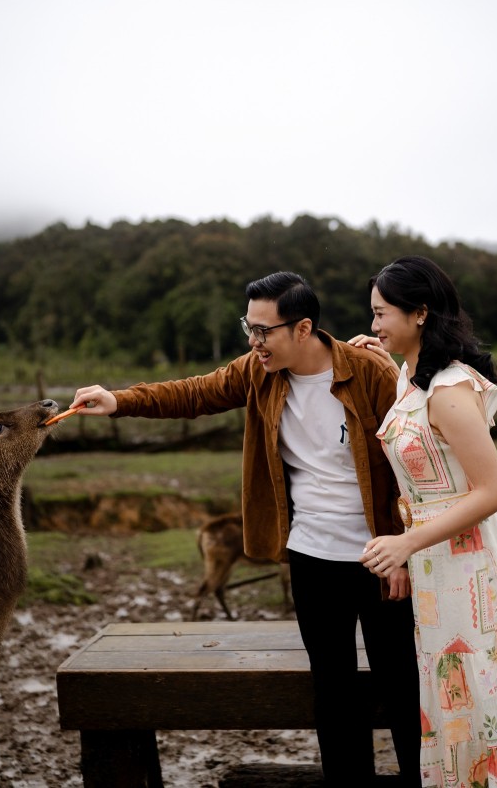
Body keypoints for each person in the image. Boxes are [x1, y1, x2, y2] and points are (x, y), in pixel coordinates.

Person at [70, 271, 421, 787]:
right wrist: (120, 400)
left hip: (382, 557)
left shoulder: (367, 372)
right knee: (333, 690)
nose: (254, 342)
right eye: (248, 328)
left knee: (402, 684)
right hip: (312, 556)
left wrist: (406, 551)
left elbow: (413, 465)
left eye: (263, 331)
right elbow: (194, 393)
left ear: (303, 328)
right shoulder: (259, 372)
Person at [350, 255, 497, 788]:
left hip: (469, 567)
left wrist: (406, 543)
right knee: (453, 694)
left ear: (420, 312)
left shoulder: (448, 391)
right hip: (437, 566)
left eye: (381, 313)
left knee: (479, 687)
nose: (373, 324)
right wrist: (384, 356)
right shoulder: (414, 376)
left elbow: (494, 490)